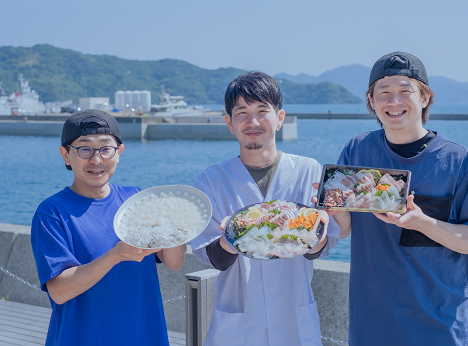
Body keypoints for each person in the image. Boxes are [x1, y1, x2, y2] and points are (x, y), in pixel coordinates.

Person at [333, 52, 468, 346]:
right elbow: (345, 228)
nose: (394, 101)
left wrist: (423, 223)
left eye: (405, 91)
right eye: (383, 93)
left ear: (424, 98)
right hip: (369, 327)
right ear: (371, 102)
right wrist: (328, 202)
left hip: (436, 330)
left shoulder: (456, 161)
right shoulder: (357, 150)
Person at [191, 71, 340, 346]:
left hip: (295, 327)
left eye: (262, 111)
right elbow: (214, 259)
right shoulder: (211, 181)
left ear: (280, 118)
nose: (253, 121)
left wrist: (318, 232)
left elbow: (317, 251)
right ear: (229, 122)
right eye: (242, 112)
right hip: (236, 331)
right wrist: (228, 239)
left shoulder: (309, 171)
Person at [31, 110, 186, 346]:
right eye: (85, 149)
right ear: (65, 155)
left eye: (106, 148)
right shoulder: (52, 212)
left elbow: (174, 262)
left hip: (145, 335)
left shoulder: (136, 199)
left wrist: (175, 224)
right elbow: (59, 291)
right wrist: (114, 256)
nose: (96, 160)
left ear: (119, 152)